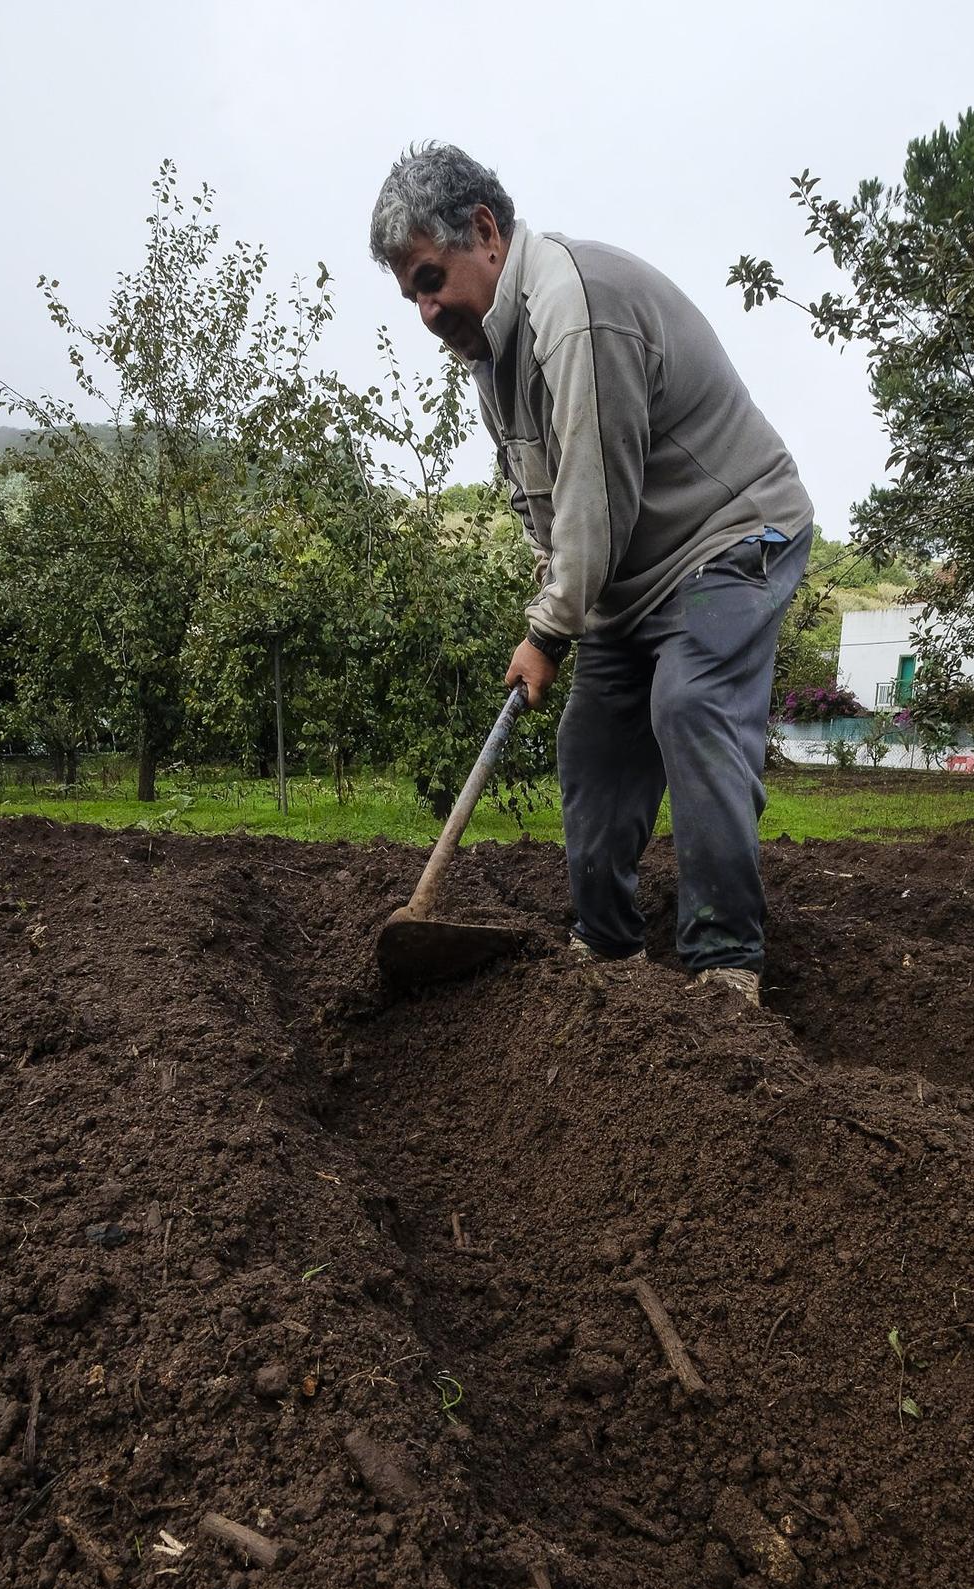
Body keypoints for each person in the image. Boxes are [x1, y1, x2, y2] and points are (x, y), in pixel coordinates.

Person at [369, 144, 813, 1004]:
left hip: (733, 536)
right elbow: (546, 512)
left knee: (689, 702)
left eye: (430, 278)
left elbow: (593, 500)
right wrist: (558, 604)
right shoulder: (491, 357)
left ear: (486, 233)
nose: (426, 310)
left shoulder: (575, 310)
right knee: (593, 744)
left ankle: (725, 964)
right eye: (412, 296)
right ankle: (607, 953)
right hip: (629, 576)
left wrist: (546, 631)